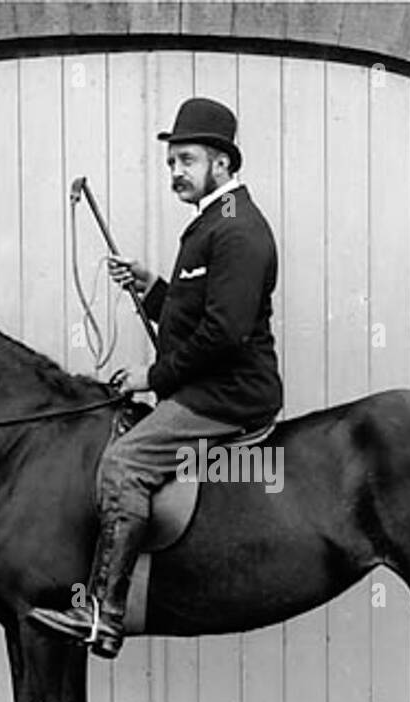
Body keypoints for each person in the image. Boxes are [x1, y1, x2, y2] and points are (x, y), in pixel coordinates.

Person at [29, 97, 283, 658]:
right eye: (172, 163)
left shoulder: (237, 231)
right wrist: (152, 287)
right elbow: (199, 315)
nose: (176, 173)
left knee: (124, 462)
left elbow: (225, 335)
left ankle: (104, 613)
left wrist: (150, 374)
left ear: (221, 162)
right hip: (206, 386)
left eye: (187, 161)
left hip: (229, 396)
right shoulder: (212, 224)